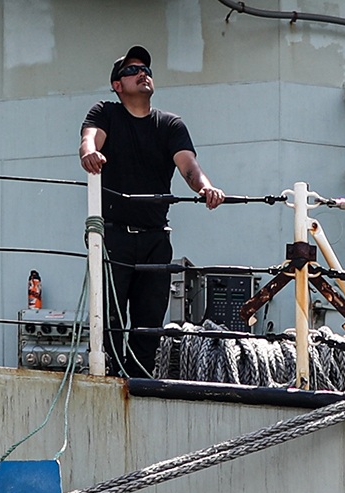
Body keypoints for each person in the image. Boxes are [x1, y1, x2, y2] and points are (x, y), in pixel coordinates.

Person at [80, 44, 227, 375]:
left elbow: (188, 166)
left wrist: (205, 187)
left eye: (145, 69)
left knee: (149, 324)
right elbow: (90, 139)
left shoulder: (169, 125)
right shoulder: (106, 112)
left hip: (155, 240)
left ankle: (138, 383)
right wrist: (89, 153)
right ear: (117, 85)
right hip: (113, 237)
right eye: (131, 70)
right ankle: (107, 377)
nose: (141, 73)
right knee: (110, 319)